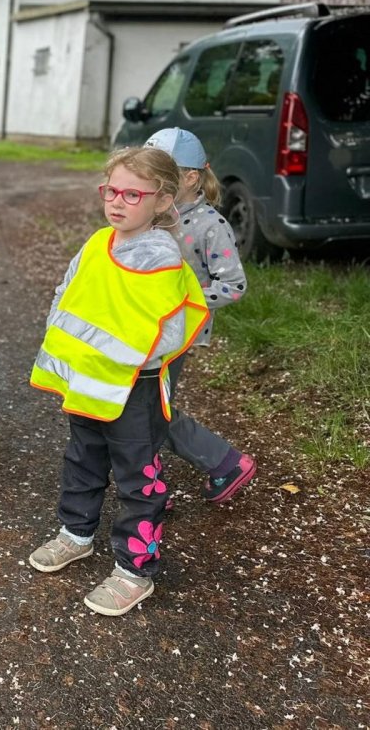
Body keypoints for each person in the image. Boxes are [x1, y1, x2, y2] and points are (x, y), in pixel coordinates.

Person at [28, 147, 209, 617]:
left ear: (162, 200)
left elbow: (167, 331)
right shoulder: (97, 243)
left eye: (132, 194)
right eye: (111, 191)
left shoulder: (162, 258)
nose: (117, 202)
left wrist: (115, 356)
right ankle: (76, 533)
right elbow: (66, 295)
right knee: (82, 459)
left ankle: (135, 570)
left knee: (138, 479)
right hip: (89, 386)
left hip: (135, 391)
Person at [144, 127, 256, 502]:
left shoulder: (211, 226)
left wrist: (185, 300)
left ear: (190, 178)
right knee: (139, 402)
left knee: (150, 407)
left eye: (160, 175)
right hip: (141, 324)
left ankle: (224, 462)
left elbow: (234, 285)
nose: (150, 183)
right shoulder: (152, 215)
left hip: (178, 330)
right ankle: (148, 481)